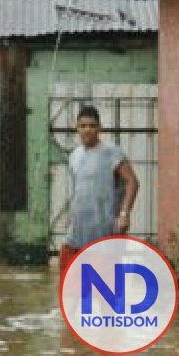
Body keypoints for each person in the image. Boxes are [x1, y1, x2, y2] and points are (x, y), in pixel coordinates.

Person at [60, 105, 140, 278]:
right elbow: (78, 188)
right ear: (77, 128)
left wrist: (124, 214)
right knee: (71, 284)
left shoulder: (112, 153)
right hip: (78, 229)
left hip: (105, 228)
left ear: (99, 128)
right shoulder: (75, 155)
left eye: (92, 125)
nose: (87, 130)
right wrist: (70, 215)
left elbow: (132, 181)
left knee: (107, 286)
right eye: (83, 126)